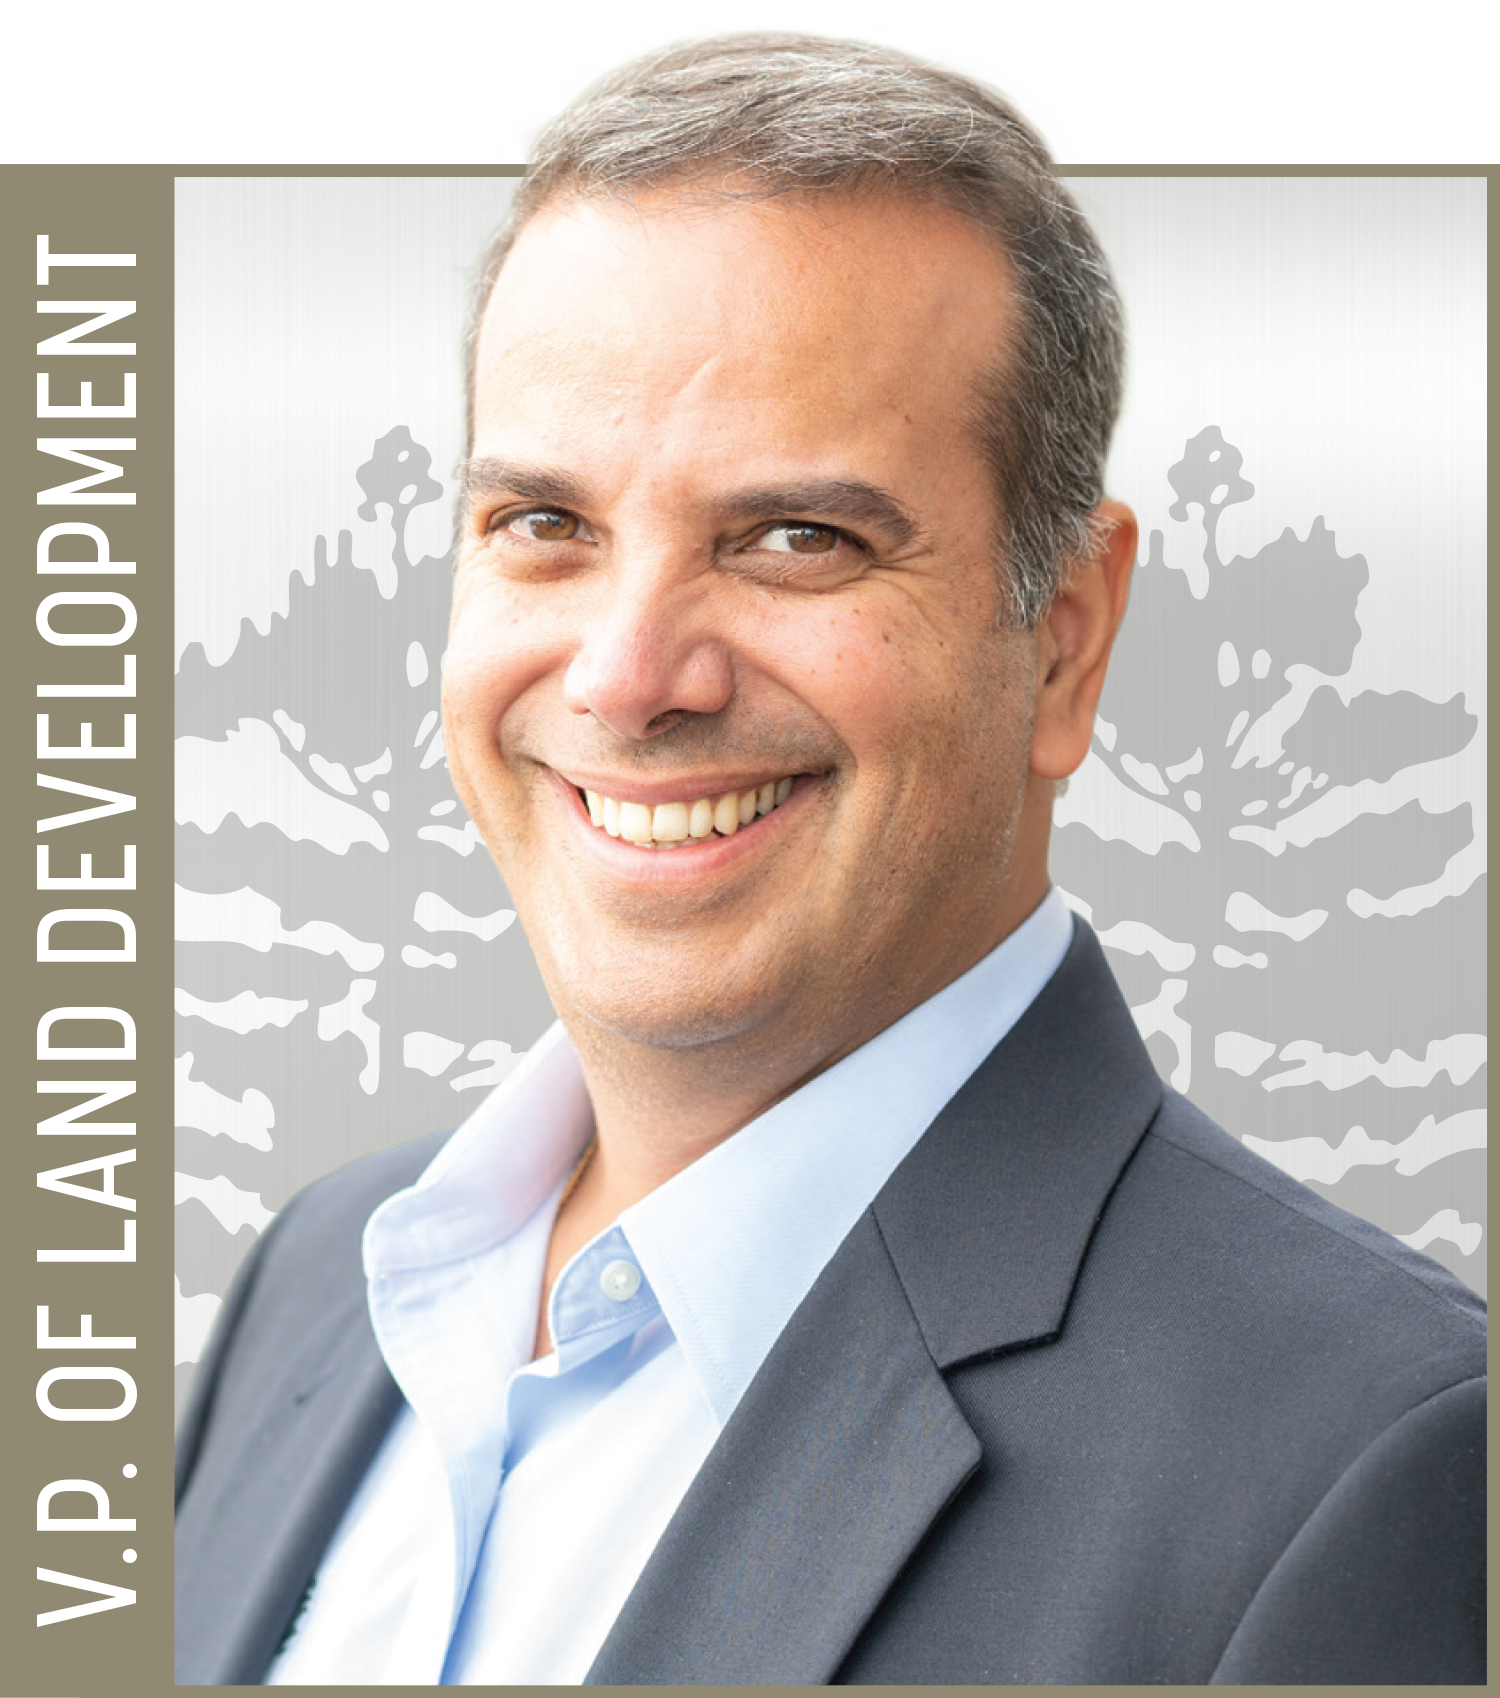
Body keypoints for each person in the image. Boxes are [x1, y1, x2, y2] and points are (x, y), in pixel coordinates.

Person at [174, 27, 1484, 1686]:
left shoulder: (1371, 1463)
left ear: (1066, 641)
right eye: (546, 526)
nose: (629, 677)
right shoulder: (319, 1280)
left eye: (798, 538)